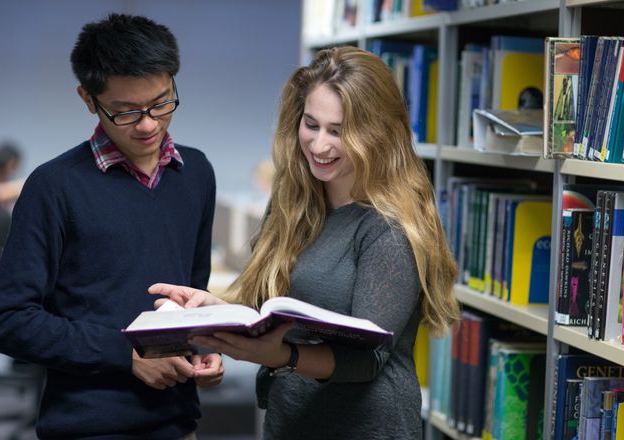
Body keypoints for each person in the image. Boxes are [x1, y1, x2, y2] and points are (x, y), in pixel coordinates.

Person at [150, 46, 461, 439]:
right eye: (311, 125)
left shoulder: (390, 228)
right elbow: (272, 310)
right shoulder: (293, 205)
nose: (319, 145)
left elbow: (368, 361)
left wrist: (283, 356)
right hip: (291, 420)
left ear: (376, 134)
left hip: (366, 428)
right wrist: (217, 311)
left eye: (339, 131)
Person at [0, 14, 223, 439]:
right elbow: (9, 320)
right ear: (88, 98)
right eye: (125, 111)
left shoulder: (197, 173)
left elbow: (191, 297)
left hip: (178, 420)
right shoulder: (54, 186)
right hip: (89, 426)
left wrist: (203, 348)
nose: (148, 123)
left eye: (162, 102)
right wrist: (126, 356)